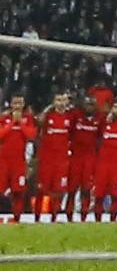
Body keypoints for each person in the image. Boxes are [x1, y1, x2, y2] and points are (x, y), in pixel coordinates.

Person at [34, 92, 75, 222]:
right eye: (58, 100)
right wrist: (47, 108)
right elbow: (38, 122)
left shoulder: (70, 117)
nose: (61, 103)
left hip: (61, 160)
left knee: (58, 191)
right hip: (46, 159)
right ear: (53, 101)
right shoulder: (48, 116)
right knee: (41, 189)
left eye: (63, 100)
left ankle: (54, 217)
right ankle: (37, 218)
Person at [92, 99, 117, 222]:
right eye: (116, 107)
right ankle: (98, 220)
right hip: (103, 164)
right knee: (99, 194)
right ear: (111, 108)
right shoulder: (103, 122)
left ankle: (113, 219)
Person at [0, 96, 35, 222]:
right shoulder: (4, 118)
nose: (17, 106)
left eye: (20, 103)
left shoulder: (28, 118)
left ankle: (17, 218)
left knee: (18, 191)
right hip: (3, 161)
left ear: (24, 104)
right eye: (15, 103)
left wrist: (20, 122)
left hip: (19, 162)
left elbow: (31, 135)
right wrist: (12, 123)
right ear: (10, 104)